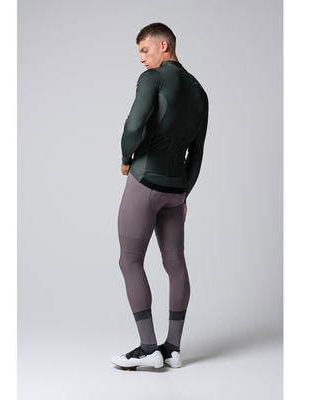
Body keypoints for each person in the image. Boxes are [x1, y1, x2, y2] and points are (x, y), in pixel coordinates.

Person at [111, 22, 208, 370]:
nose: (141, 58)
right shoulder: (200, 93)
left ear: (163, 45)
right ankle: (173, 350)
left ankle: (149, 348)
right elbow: (197, 153)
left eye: (145, 50)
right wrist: (184, 195)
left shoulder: (153, 78)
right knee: (175, 263)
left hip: (145, 180)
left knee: (129, 260)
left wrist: (126, 158)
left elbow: (133, 125)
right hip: (176, 189)